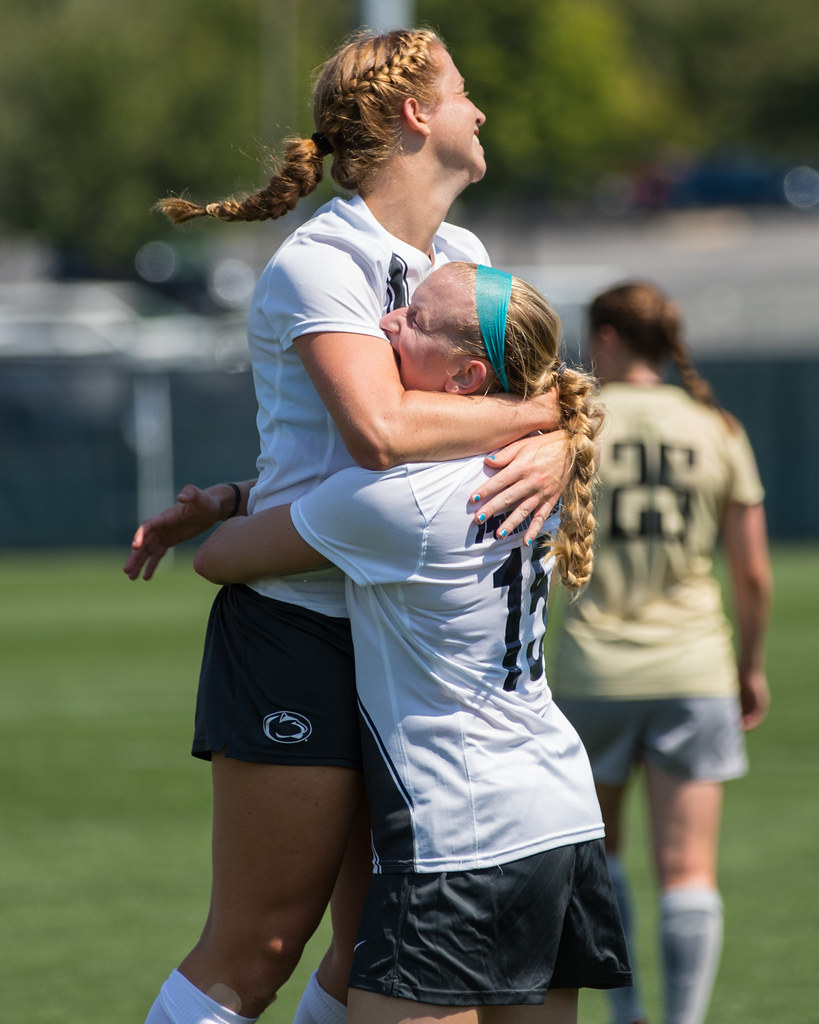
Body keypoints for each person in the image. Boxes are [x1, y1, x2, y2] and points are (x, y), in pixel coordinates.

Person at [133, 28, 573, 1024]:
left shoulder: (462, 255)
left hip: (409, 638)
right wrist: (554, 418)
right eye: (463, 91)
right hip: (302, 622)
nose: (481, 109)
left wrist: (562, 438)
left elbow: (505, 409)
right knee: (261, 946)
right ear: (416, 113)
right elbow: (379, 433)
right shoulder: (320, 259)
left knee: (380, 945)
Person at [193, 261, 632, 1024]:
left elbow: (217, 558)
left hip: (457, 839)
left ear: (466, 376)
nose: (386, 323)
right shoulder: (532, 466)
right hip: (558, 815)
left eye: (413, 319)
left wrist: (230, 501)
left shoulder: (398, 500)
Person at [550, 281, 772, 1024]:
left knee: (597, 863)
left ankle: (626, 1015)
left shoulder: (573, 426)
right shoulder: (717, 427)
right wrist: (747, 669)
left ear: (608, 339)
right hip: (693, 670)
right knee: (687, 871)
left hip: (588, 673)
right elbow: (752, 574)